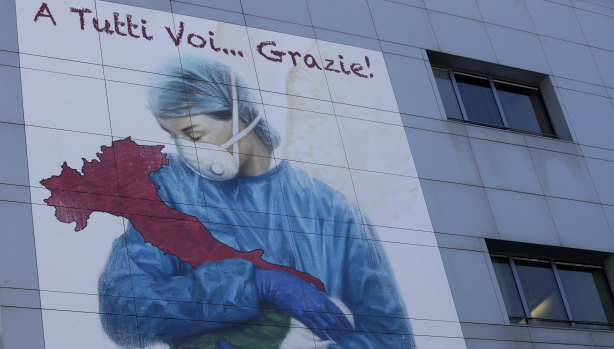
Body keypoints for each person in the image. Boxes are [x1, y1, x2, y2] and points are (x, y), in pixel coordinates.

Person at [98, 56, 415, 348]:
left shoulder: (331, 210)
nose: (186, 150)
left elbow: (390, 336)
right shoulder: (173, 190)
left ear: (240, 112)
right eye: (174, 137)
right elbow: (124, 309)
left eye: (193, 135)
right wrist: (253, 283)